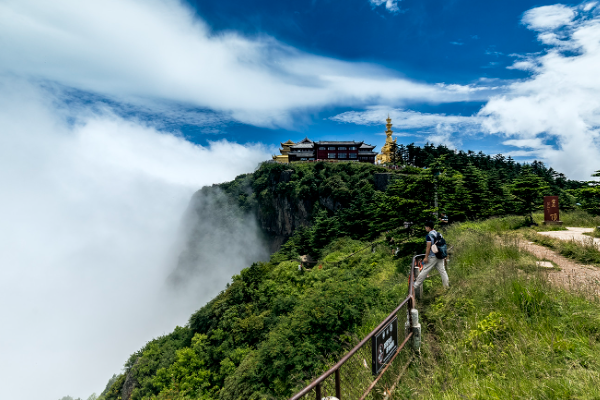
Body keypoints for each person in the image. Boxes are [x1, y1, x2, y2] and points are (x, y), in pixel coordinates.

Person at [414, 221, 449, 289]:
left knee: (425, 270)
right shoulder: (439, 234)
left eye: (426, 227)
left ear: (429, 227)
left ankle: (415, 286)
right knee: (443, 271)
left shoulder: (429, 236)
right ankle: (446, 286)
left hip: (432, 256)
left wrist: (426, 257)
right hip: (440, 255)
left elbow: (428, 247)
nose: (425, 228)